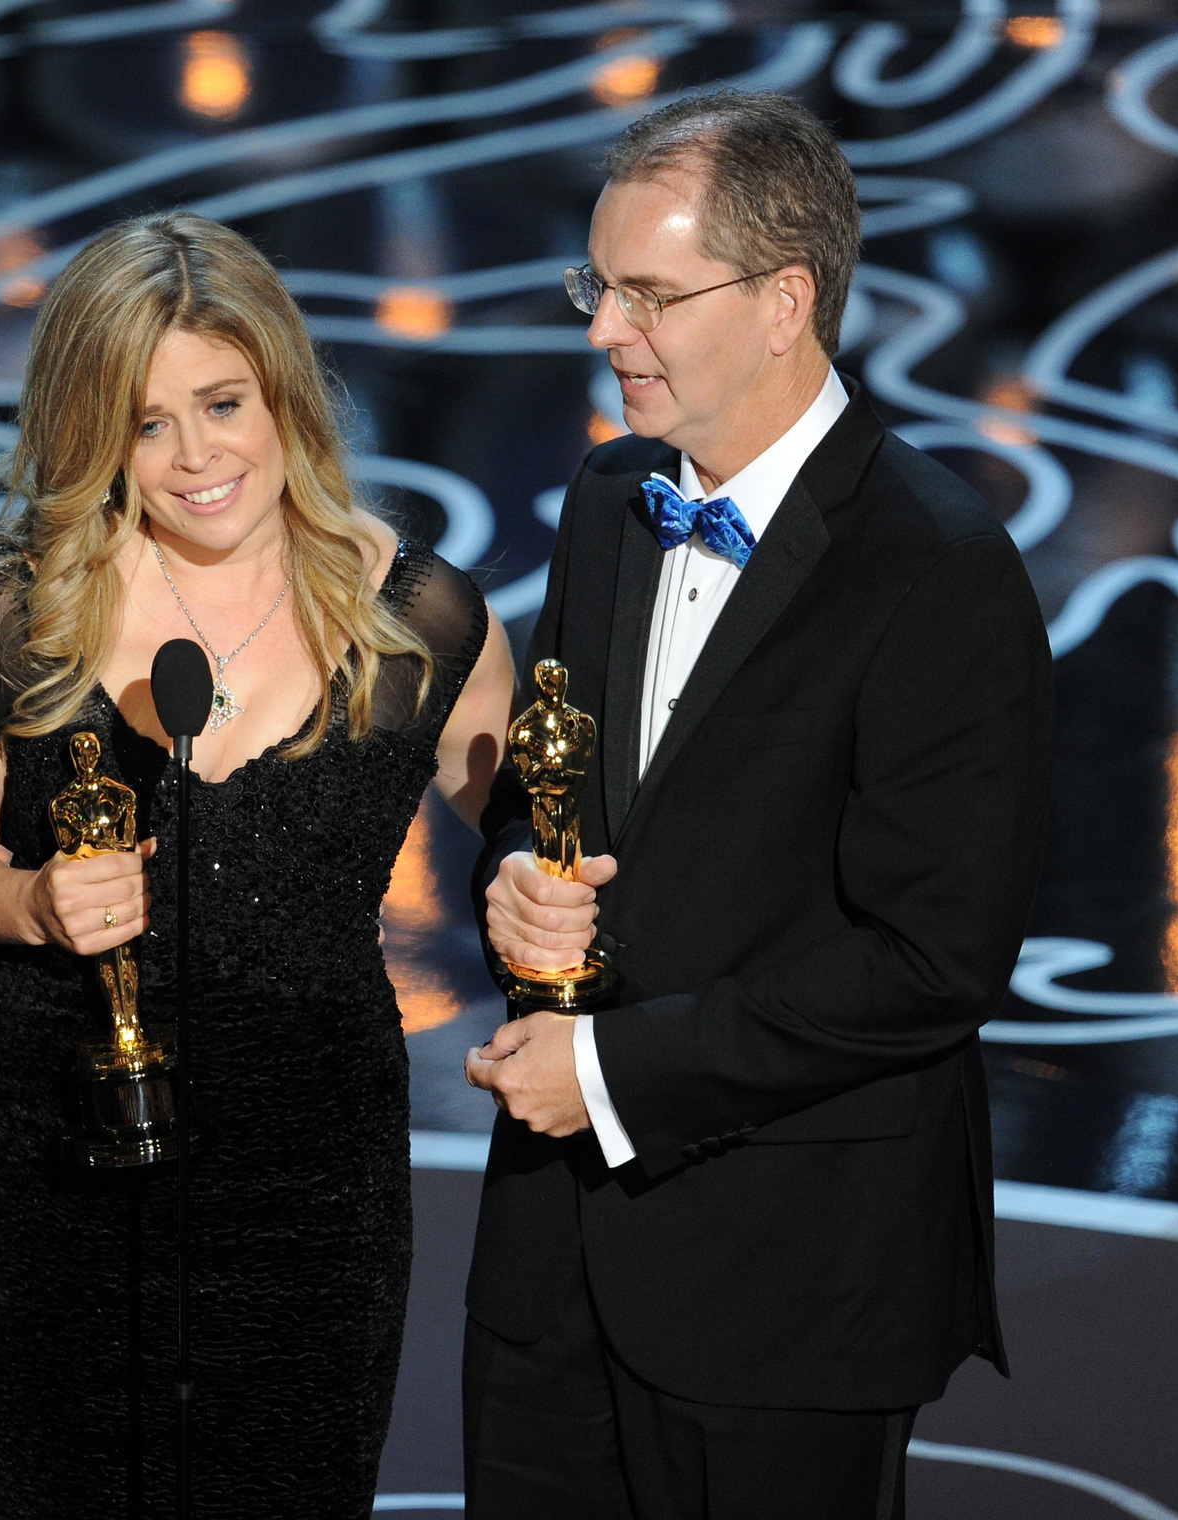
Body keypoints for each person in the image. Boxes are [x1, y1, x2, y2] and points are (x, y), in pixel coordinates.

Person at [461, 90, 1054, 1520]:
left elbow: (932, 962)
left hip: (792, 1285)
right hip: (553, 1261)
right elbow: (557, 791)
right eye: (596, 284)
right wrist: (515, 886)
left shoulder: (939, 569)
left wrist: (611, 1076)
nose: (605, 328)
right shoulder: (611, 499)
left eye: (651, 295)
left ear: (787, 300)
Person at [0, 210, 512, 1518]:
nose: (195, 457)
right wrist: (26, 900)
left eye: (222, 402)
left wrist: (554, 899)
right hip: (52, 1159)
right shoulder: (15, 608)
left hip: (311, 1178)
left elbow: (533, 833)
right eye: (146, 422)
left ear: (283, 388)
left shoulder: (422, 622)